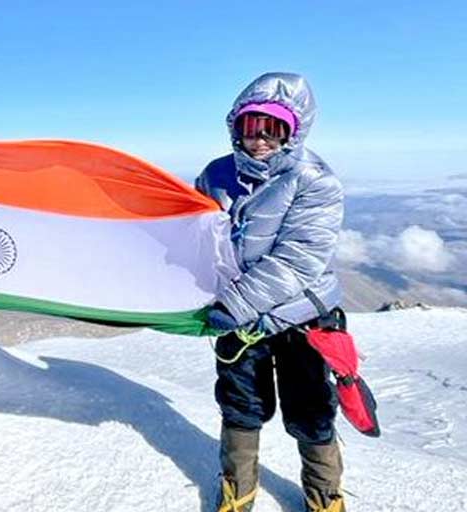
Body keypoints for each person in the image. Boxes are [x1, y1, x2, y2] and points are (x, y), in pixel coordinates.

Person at [195, 73, 347, 512]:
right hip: (238, 318)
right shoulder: (216, 175)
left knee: (311, 409)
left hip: (302, 319)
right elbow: (195, 237)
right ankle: (238, 491)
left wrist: (234, 305)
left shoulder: (314, 179)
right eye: (249, 126)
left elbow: (299, 258)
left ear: (292, 130)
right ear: (235, 127)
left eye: (272, 127)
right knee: (240, 404)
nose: (259, 138)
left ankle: (324, 497)